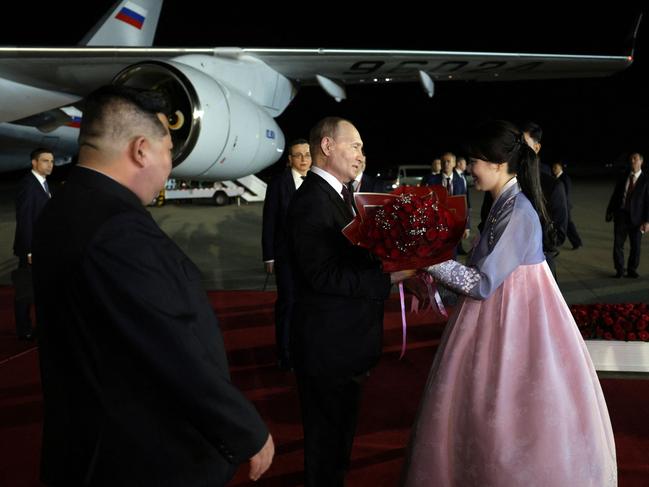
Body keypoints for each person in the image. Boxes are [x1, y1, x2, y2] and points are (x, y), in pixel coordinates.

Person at [32, 85, 273, 486]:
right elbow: (171, 345)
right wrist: (245, 429)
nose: (168, 167)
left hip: (88, 441)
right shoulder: (118, 228)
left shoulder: (63, 208)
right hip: (139, 457)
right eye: (168, 152)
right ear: (140, 150)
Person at [402, 120, 616, 486]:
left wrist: (428, 259)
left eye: (475, 161)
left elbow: (481, 282)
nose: (470, 169)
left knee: (505, 406)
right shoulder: (504, 203)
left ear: (498, 163)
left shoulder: (517, 211)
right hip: (504, 311)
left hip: (514, 317)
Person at [287, 116, 413, 486]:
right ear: (327, 146)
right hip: (328, 348)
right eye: (354, 145)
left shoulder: (340, 195)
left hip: (345, 344)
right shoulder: (312, 200)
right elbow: (323, 275)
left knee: (338, 442)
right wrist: (389, 276)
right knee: (326, 450)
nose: (361, 155)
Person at [478, 121, 568, 278]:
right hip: (496, 269)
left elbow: (559, 235)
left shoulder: (552, 186)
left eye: (523, 144)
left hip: (536, 270)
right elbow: (485, 221)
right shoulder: (498, 184)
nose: (517, 150)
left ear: (537, 147)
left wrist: (524, 246)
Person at [262, 138, 311, 370]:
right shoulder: (278, 184)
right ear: (289, 159)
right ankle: (285, 354)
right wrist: (269, 256)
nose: (303, 160)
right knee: (288, 304)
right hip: (286, 257)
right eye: (298, 155)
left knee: (310, 305)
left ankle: (306, 349)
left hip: (314, 258)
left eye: (307, 154)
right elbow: (269, 220)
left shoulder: (318, 181)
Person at [12, 147, 53, 340]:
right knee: (25, 292)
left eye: (51, 161)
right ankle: (24, 329)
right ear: (34, 163)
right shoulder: (28, 185)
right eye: (45, 161)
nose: (50, 165)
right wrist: (28, 250)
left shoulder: (43, 183)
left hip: (41, 246)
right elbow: (25, 219)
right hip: (31, 249)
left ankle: (35, 327)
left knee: (37, 289)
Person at [606, 152, 649, 278]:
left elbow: (647, 202)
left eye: (635, 159)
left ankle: (631, 269)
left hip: (637, 219)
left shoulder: (646, 180)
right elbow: (615, 195)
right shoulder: (623, 176)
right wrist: (609, 211)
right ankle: (619, 269)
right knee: (618, 245)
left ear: (641, 161)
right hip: (621, 217)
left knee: (635, 247)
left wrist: (647, 221)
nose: (632, 161)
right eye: (631, 159)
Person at [552, 161, 583, 249]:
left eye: (556, 167)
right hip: (562, 205)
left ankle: (577, 242)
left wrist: (564, 205)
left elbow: (566, 193)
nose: (554, 169)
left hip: (564, 206)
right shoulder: (557, 178)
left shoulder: (564, 178)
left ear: (561, 168)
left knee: (568, 224)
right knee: (566, 225)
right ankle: (576, 243)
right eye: (553, 167)